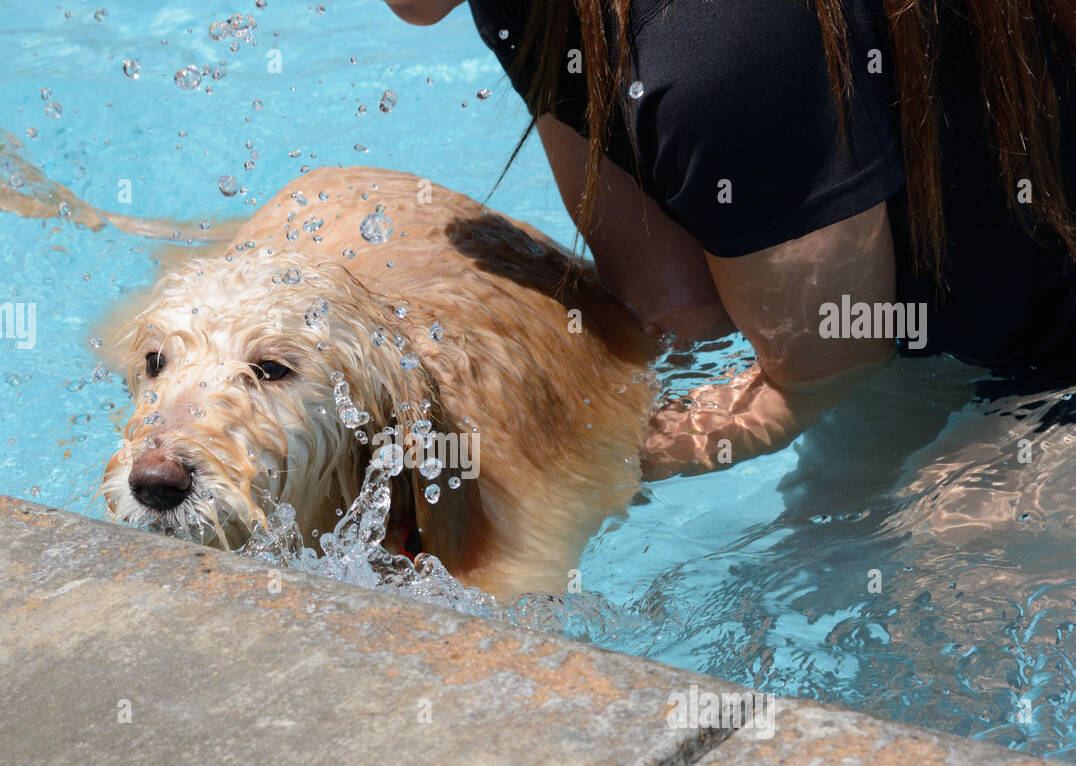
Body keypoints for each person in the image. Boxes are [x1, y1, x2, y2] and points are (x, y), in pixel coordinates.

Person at [383, 1, 1076, 479]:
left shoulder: (713, 44)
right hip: (952, 331)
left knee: (952, 553)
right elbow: (672, 309)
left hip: (1047, 340)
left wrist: (547, 457)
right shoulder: (528, 12)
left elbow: (819, 377)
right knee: (830, 537)